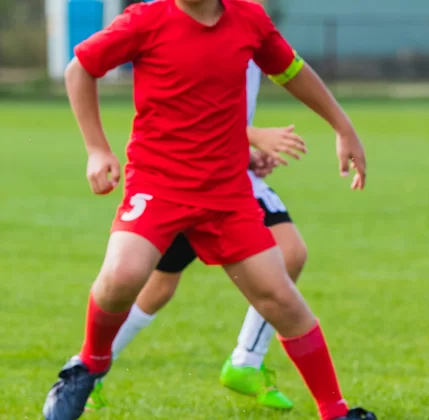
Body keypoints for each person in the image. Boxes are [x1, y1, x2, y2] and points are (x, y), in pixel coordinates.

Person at [44, 1, 373, 419]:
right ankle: (88, 366)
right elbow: (80, 69)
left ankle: (336, 412)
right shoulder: (146, 19)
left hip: (226, 196)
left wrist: (343, 127)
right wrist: (96, 150)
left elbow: (291, 71)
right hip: (158, 185)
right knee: (124, 275)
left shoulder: (248, 18)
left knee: (282, 300)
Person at [85, 58, 311, 413]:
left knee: (291, 252)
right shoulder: (199, 19)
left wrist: (246, 152)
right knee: (158, 287)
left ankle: (246, 361)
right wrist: (253, 136)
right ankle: (88, 368)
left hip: (229, 171)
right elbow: (186, 110)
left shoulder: (251, 27)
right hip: (188, 177)